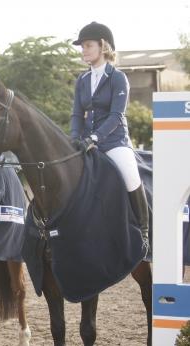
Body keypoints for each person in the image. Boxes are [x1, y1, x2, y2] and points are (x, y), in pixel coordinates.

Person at [70, 21, 149, 253]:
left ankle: (143, 232)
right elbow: (76, 114)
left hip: (114, 141)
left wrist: (94, 137)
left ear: (103, 46)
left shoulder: (117, 78)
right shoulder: (82, 80)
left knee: (130, 174)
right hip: (85, 141)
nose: (83, 50)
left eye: (88, 45)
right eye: (82, 47)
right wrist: (75, 137)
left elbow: (116, 115)